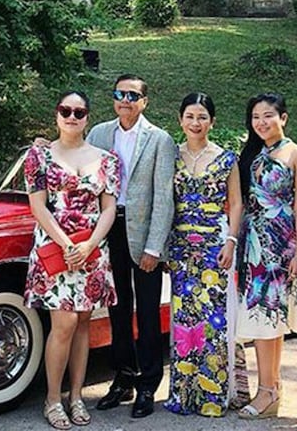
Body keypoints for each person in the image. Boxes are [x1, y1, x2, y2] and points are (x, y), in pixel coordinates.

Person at [23, 91, 121, 430]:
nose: (72, 116)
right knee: (62, 324)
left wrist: (91, 243)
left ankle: (76, 396)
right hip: (56, 248)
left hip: (92, 249)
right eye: (65, 110)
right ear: (56, 115)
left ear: (87, 118)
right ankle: (53, 398)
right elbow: (37, 207)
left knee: (83, 323)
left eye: (79, 112)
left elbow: (108, 208)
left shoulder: (106, 159)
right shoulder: (39, 157)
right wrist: (67, 245)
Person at [88, 74, 176, 419]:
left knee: (149, 313)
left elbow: (164, 197)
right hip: (109, 228)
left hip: (143, 234)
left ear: (144, 101)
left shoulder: (160, 139)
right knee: (118, 308)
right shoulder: (99, 134)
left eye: (132, 95)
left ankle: (149, 384)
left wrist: (155, 246)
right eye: (119, 94)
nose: (125, 99)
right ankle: (122, 379)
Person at [162, 92, 249, 417]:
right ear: (180, 120)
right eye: (190, 116)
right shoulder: (170, 156)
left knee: (215, 321)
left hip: (215, 245)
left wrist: (231, 241)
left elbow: (237, 204)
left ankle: (213, 395)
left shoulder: (227, 158)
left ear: (212, 121)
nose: (195, 123)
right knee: (185, 320)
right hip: (182, 249)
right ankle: (184, 394)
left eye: (202, 117)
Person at [235, 92, 297, 420]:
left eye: (268, 115)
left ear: (283, 117)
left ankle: (268, 391)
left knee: (269, 317)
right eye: (255, 117)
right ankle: (270, 389)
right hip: (253, 243)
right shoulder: (253, 154)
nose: (261, 122)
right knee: (262, 319)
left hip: (280, 247)